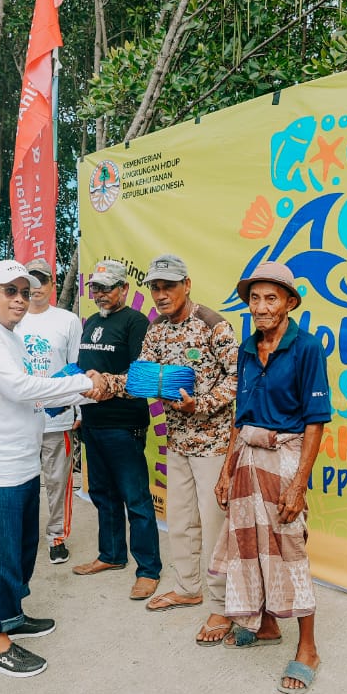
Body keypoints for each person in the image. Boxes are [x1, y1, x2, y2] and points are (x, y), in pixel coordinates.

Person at [0, 260, 103, 677]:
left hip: (21, 461)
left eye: (25, 291)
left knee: (21, 547)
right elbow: (20, 388)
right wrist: (80, 385)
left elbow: (29, 397)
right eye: (10, 291)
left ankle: (13, 614)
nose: (20, 299)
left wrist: (78, 392)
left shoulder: (10, 336)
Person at [99, 255, 238, 642]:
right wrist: (102, 383)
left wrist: (203, 404)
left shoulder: (214, 325)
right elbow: (139, 377)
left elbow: (239, 378)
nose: (160, 295)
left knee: (214, 528)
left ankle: (221, 605)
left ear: (187, 284)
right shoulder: (157, 331)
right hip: (175, 442)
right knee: (180, 521)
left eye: (168, 286)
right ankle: (189, 588)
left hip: (213, 445)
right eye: (155, 288)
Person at [210, 261, 330, 694]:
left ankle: (309, 649)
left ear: (290, 303)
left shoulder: (307, 349)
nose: (261, 307)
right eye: (255, 299)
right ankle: (264, 625)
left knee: (289, 548)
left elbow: (315, 422)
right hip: (245, 456)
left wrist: (298, 484)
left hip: (284, 458)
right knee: (247, 546)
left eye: (270, 298)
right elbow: (238, 419)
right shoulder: (246, 349)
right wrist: (226, 471)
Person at [72, 259, 162, 602]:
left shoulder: (137, 322)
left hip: (124, 424)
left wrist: (107, 386)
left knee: (136, 499)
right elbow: (84, 372)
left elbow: (141, 377)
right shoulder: (92, 322)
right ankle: (110, 555)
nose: (100, 294)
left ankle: (148, 569)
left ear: (124, 289)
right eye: (95, 288)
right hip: (93, 423)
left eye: (108, 288)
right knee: (102, 495)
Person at [16, 257, 83, 565]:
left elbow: (74, 368)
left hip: (57, 417)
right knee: (20, 481)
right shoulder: (11, 318)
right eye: (30, 281)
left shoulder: (67, 321)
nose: (36, 287)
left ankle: (56, 535)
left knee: (58, 480)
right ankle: (21, 534)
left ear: (52, 284)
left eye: (42, 280)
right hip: (20, 417)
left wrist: (77, 409)